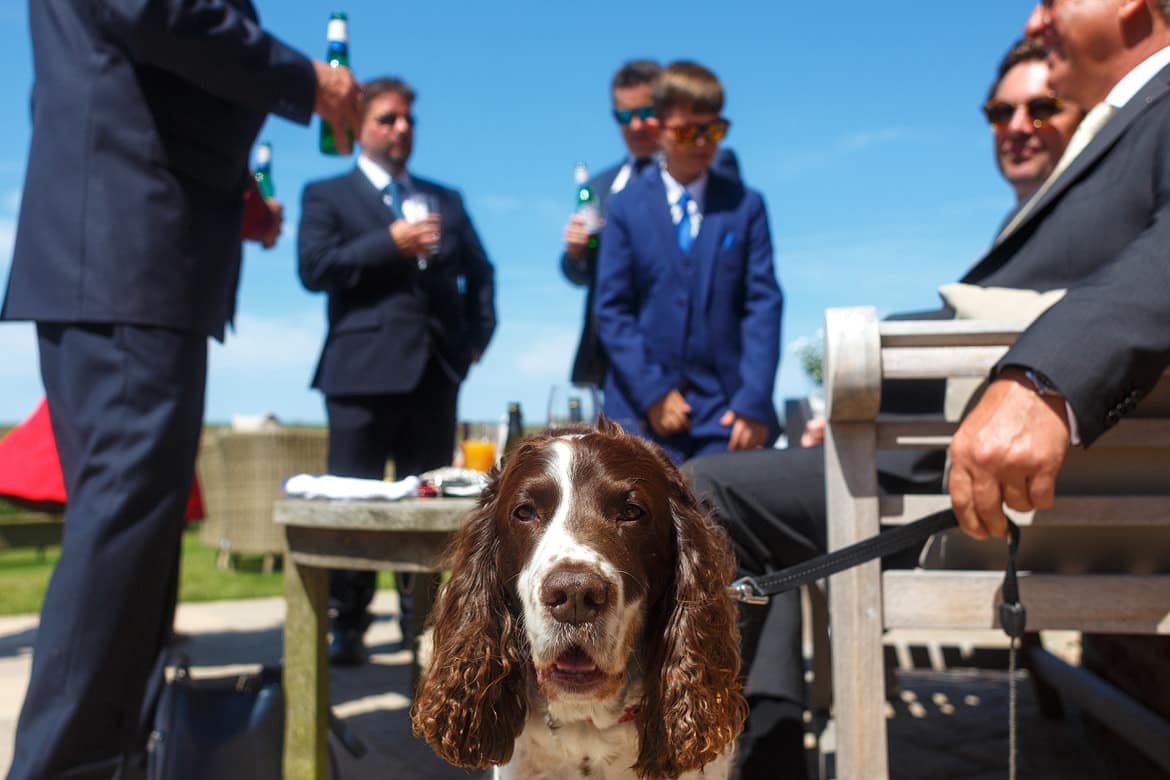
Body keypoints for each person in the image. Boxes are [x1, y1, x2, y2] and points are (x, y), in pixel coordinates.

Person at [687, 35, 1091, 779]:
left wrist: (859, 404)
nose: (1017, 123)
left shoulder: (1095, 223)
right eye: (999, 110)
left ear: (1092, 107)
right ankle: (770, 737)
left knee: (705, 490)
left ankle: (705, 741)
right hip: (1019, 488)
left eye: (1044, 105)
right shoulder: (1067, 224)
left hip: (974, 496)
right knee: (766, 513)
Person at [0, 0, 361, 776]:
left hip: (123, 252)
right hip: (126, 256)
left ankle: (114, 752)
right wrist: (309, 81)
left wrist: (231, 201)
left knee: (139, 530)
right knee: (124, 523)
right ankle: (68, 764)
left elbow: (126, 81)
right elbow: (158, 14)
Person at [949, 0, 1170, 541]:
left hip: (1015, 485)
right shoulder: (1127, 118)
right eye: (999, 114)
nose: (1032, 21)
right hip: (1010, 477)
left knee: (719, 499)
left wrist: (1043, 378)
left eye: (1052, 0)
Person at [298, 76, 497, 666]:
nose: (401, 128)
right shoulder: (327, 194)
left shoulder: (447, 198)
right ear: (358, 126)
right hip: (359, 375)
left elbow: (482, 274)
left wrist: (473, 342)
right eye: (387, 119)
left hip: (435, 375)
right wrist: (388, 242)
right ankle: (348, 623)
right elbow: (314, 267)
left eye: (408, 119)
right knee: (355, 504)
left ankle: (426, 626)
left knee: (431, 509)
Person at [593, 60, 783, 464]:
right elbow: (612, 309)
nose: (701, 143)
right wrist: (654, 392)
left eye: (712, 131)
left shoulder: (744, 206)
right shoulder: (625, 206)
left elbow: (762, 305)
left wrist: (752, 401)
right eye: (686, 131)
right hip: (640, 414)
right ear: (659, 127)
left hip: (727, 415)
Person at [560, 60, 741, 388]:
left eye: (645, 113)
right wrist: (576, 253)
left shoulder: (710, 165)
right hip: (617, 364)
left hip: (697, 365)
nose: (637, 126)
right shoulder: (602, 187)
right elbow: (591, 282)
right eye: (625, 117)